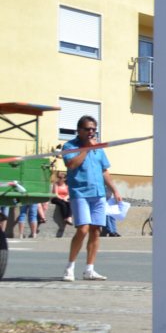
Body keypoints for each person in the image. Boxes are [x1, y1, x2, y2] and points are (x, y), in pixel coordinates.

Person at [61, 115, 121, 281]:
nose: (91, 132)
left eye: (94, 129)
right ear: (79, 130)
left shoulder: (98, 148)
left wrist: (114, 190)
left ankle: (89, 269)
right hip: (80, 193)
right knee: (83, 229)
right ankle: (70, 267)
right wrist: (87, 148)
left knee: (96, 231)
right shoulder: (69, 146)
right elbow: (71, 164)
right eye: (88, 129)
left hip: (98, 194)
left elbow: (104, 170)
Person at [51, 171, 72, 238]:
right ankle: (65, 218)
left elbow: (69, 194)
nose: (59, 179)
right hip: (56, 198)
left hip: (64, 198)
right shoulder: (56, 184)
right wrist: (63, 199)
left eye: (61, 178)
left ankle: (69, 217)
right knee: (62, 204)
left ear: (64, 179)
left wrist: (65, 198)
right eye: (59, 177)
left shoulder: (66, 185)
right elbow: (56, 194)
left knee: (69, 203)